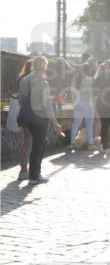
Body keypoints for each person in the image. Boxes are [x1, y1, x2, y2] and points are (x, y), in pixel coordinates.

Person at [17, 56, 60, 184]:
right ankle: (34, 175)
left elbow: (21, 98)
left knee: (30, 143)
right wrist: (55, 122)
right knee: (38, 145)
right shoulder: (43, 82)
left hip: (25, 116)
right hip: (39, 117)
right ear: (44, 67)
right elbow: (46, 105)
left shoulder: (25, 80)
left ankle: (28, 172)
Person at [67, 60, 96, 153]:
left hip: (78, 104)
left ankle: (71, 144)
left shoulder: (76, 80)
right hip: (88, 104)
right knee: (89, 124)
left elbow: (72, 90)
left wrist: (75, 100)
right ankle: (90, 144)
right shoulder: (90, 79)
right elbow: (91, 93)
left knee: (76, 124)